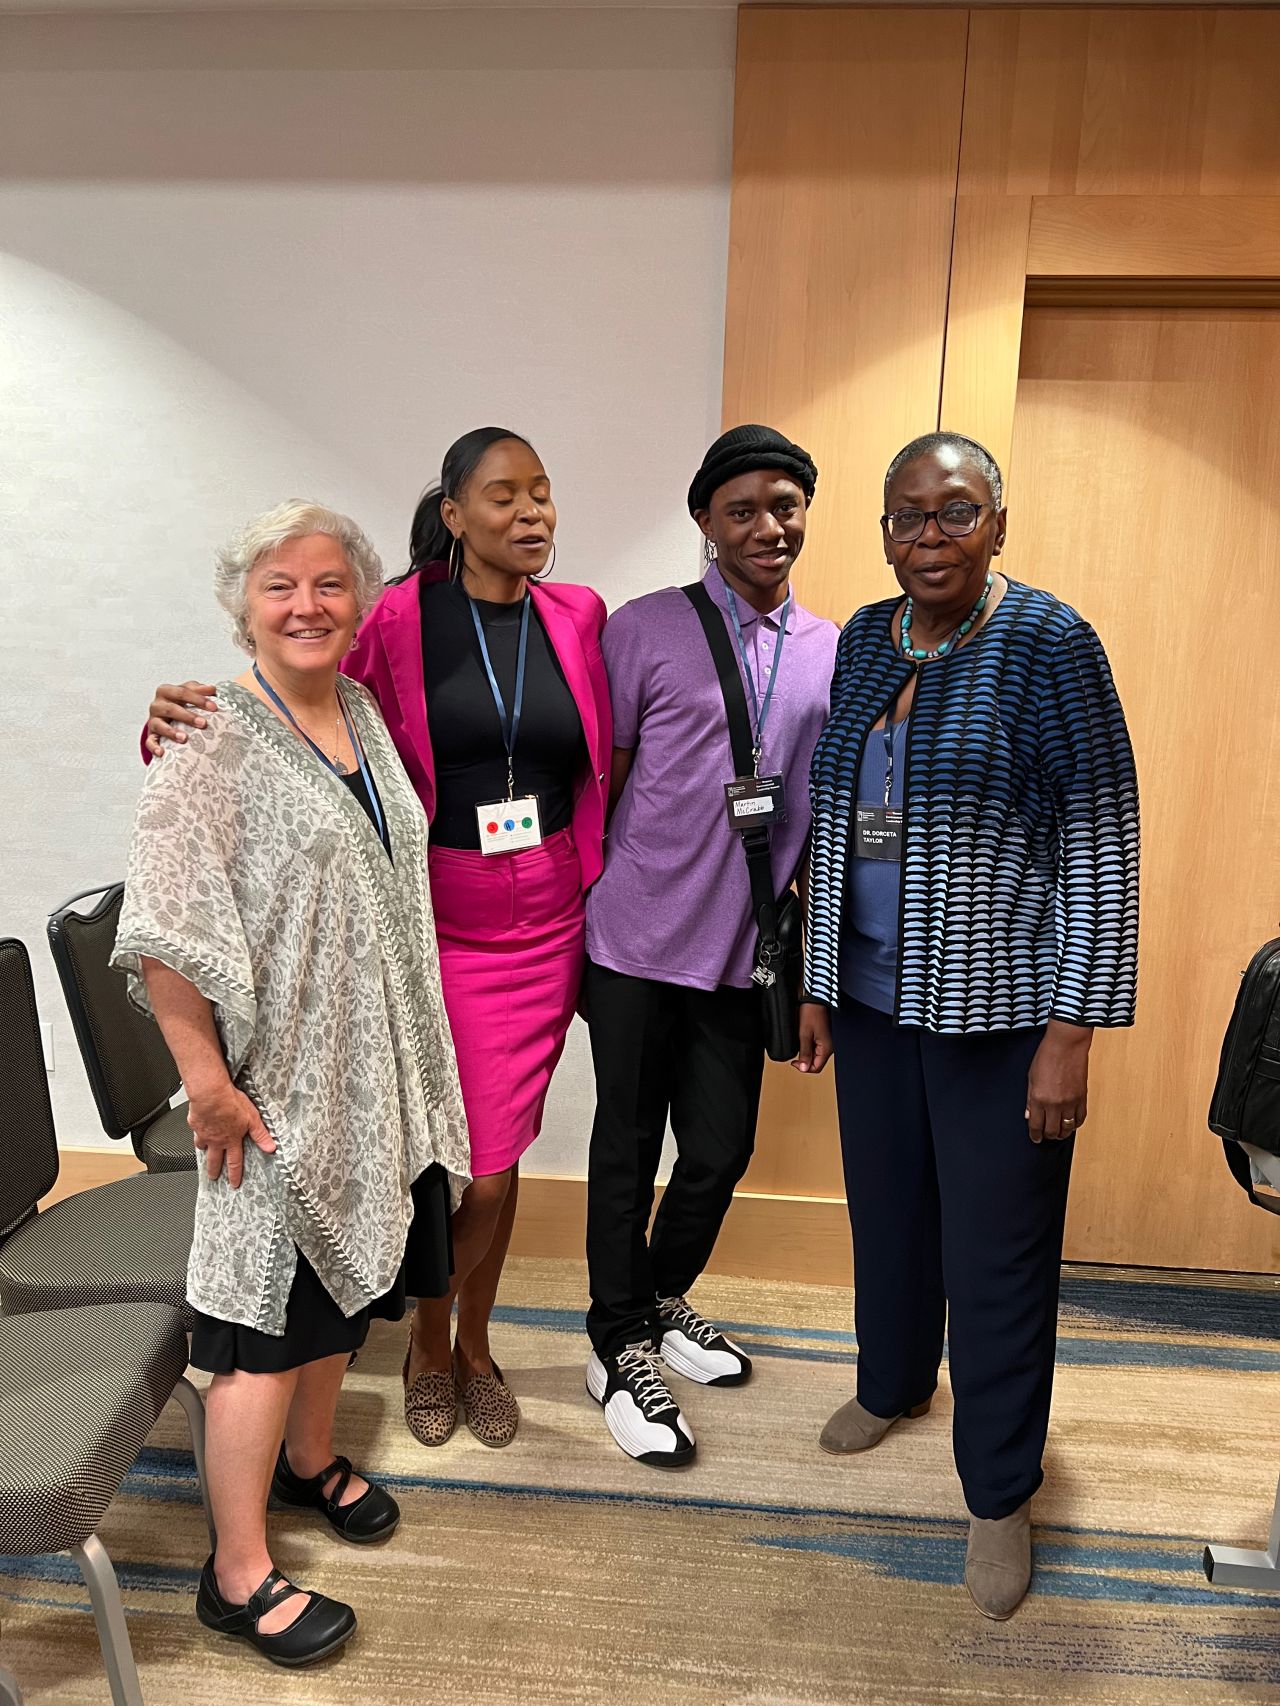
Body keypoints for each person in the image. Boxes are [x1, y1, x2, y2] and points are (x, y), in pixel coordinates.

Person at [142, 430, 611, 1450]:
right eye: (503, 495)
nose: (530, 512)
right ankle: (424, 1340)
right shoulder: (394, 616)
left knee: (505, 1146)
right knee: (463, 1160)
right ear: (452, 513)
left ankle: (472, 1344)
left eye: (542, 493)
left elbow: (607, 751)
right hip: (438, 922)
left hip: (551, 924)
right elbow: (287, 684)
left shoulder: (577, 615)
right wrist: (176, 712)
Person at [114, 502, 470, 1666]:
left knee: (337, 1301)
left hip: (374, 1076)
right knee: (258, 1328)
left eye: (328, 583)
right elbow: (165, 927)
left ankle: (310, 1462)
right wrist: (206, 1084)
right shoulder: (206, 734)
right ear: (242, 604)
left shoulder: (359, 711)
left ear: (357, 602)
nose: (307, 604)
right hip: (272, 1089)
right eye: (280, 585)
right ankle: (234, 1570)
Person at [805, 431, 1140, 1619]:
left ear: (998, 519)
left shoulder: (1047, 642)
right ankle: (892, 1380)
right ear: (881, 526)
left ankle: (998, 1492)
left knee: (995, 1259)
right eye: (905, 516)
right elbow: (831, 816)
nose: (927, 537)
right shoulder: (861, 635)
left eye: (953, 513)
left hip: (1000, 1014)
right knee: (887, 1216)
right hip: (875, 1003)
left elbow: (1101, 839)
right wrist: (814, 974)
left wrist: (1072, 1029)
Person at [582, 424, 837, 1468]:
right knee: (626, 1145)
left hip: (744, 951)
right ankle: (615, 1339)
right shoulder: (643, 629)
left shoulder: (834, 647)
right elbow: (604, 774)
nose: (767, 526)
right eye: (742, 509)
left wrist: (814, 964)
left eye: (783, 505)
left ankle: (647, 1298)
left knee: (720, 1151)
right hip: (636, 940)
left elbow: (824, 816)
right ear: (704, 522)